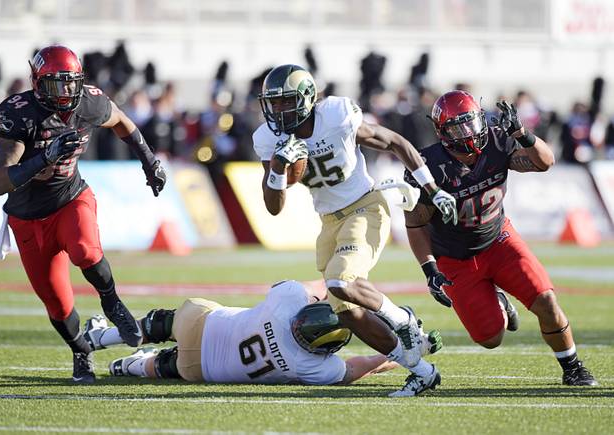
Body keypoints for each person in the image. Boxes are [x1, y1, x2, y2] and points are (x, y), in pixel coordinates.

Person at [253, 64, 454, 396]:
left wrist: (433, 189)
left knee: (340, 280)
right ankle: (422, 371)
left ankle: (402, 320)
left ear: (305, 99)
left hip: (365, 207)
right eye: (273, 104)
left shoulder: (335, 116)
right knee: (347, 312)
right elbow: (274, 206)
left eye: (286, 102)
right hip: (329, 222)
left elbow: (395, 142)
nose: (278, 111)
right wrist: (277, 167)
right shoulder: (268, 138)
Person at [0, 45, 167, 384]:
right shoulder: (21, 112)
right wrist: (43, 158)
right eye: (58, 84)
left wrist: (149, 161)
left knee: (85, 249)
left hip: (70, 198)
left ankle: (112, 304)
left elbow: (122, 122)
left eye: (72, 83)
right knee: (57, 303)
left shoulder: (90, 101)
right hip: (27, 216)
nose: (68, 91)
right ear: (38, 83)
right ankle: (80, 350)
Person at [403, 90, 597, 386]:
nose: (470, 132)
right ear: (443, 132)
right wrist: (429, 269)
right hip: (455, 259)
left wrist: (522, 133)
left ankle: (573, 367)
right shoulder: (429, 165)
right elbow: (416, 224)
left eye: (472, 122)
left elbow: (545, 161)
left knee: (545, 300)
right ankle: (499, 302)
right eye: (459, 126)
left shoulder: (496, 140)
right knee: (490, 338)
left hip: (499, 240)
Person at [84, 280, 433, 388]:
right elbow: (364, 365)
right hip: (202, 372)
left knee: (159, 324)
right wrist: (406, 353)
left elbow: (327, 284)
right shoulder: (313, 367)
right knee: (164, 366)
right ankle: (126, 367)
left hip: (203, 324)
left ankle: (101, 338)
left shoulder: (287, 303)